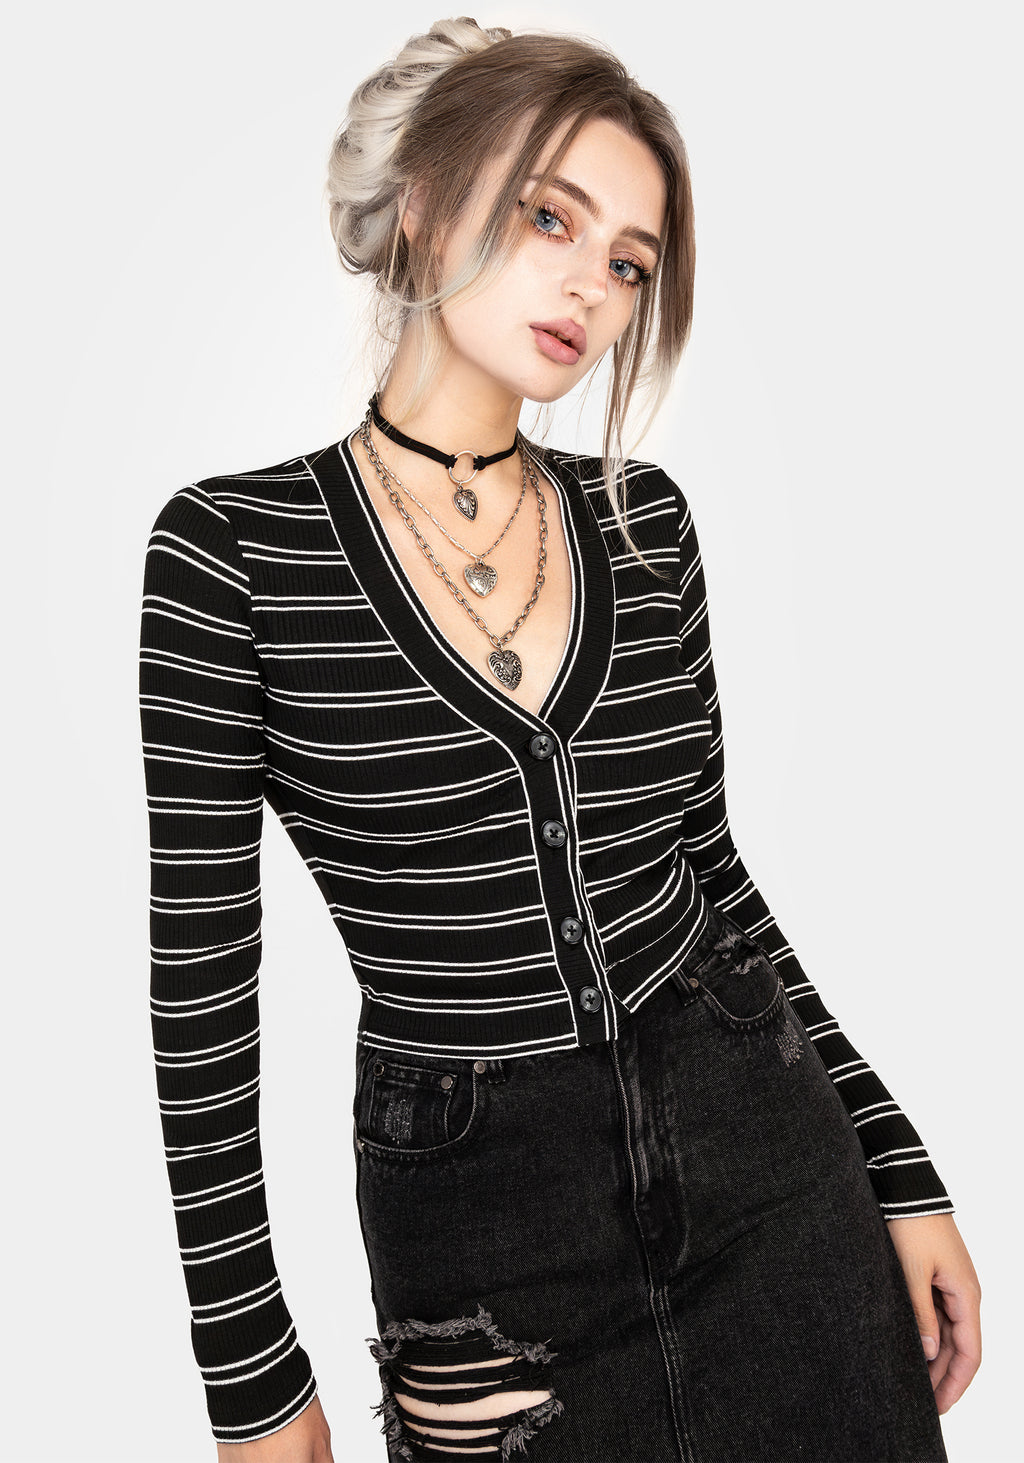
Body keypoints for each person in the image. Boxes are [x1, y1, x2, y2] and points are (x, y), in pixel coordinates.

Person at [138, 17, 982, 1462]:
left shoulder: (643, 522)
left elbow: (711, 871)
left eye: (631, 262)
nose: (593, 285)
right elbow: (201, 991)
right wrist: (251, 1377)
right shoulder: (232, 555)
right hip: (486, 1240)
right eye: (551, 219)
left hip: (770, 1173)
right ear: (425, 203)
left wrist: (897, 1166)